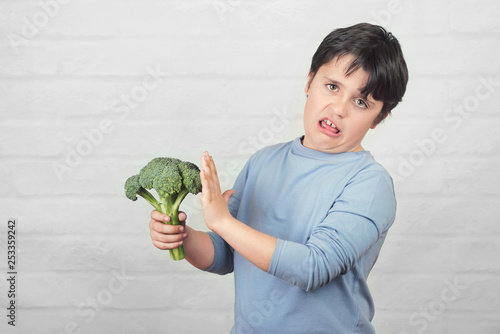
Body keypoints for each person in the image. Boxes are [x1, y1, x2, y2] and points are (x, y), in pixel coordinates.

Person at [149, 22, 408, 333]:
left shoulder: (370, 184)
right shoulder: (263, 162)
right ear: (310, 81)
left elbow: (314, 268)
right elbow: (225, 254)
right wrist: (183, 236)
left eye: (361, 101)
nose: (339, 108)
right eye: (332, 86)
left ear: (378, 118)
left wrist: (222, 221)